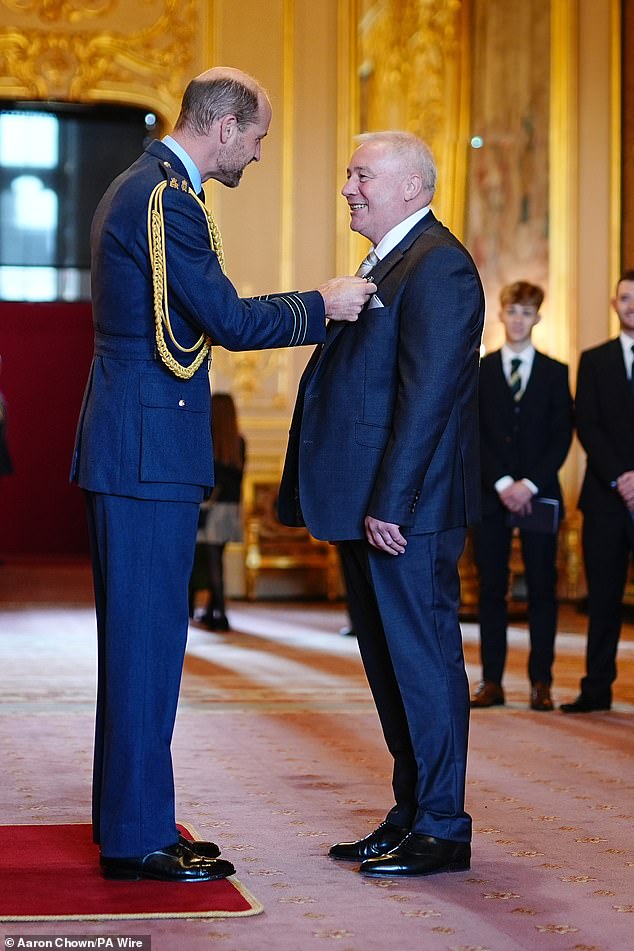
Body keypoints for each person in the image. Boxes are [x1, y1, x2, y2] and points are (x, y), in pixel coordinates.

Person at [70, 66, 374, 883]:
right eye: (260, 138)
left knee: (140, 640)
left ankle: (129, 817)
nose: (260, 155)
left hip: (136, 441)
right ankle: (137, 839)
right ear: (227, 125)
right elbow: (231, 320)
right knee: (145, 643)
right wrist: (323, 302)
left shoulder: (147, 183)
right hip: (146, 449)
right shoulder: (167, 198)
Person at [278, 131, 485, 877]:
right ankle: (411, 813)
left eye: (361, 173)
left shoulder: (440, 267)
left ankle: (442, 825)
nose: (348, 186)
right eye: (347, 171)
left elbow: (427, 399)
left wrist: (392, 503)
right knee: (391, 667)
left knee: (423, 666)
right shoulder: (392, 261)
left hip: (408, 513)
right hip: (374, 505)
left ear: (411, 186)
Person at [470, 281, 573, 712]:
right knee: (492, 588)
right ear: (502, 315)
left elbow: (561, 435)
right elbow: (473, 432)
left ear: (537, 318)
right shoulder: (482, 370)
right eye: (512, 311)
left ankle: (541, 682)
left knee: (542, 589)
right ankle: (492, 680)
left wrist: (528, 484)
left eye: (526, 313)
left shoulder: (555, 372)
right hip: (491, 495)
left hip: (538, 495)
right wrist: (501, 483)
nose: (518, 320)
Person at [561, 270, 634, 713]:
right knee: (603, 600)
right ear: (614, 303)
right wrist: (623, 478)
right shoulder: (594, 359)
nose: (632, 305)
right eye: (625, 298)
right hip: (605, 498)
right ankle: (596, 689)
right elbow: (586, 423)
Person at [190, 392, 245, 631]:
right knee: (217, 561)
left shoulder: (209, 442)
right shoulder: (238, 442)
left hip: (212, 510)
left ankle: (220, 613)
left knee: (209, 563)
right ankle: (215, 611)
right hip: (231, 510)